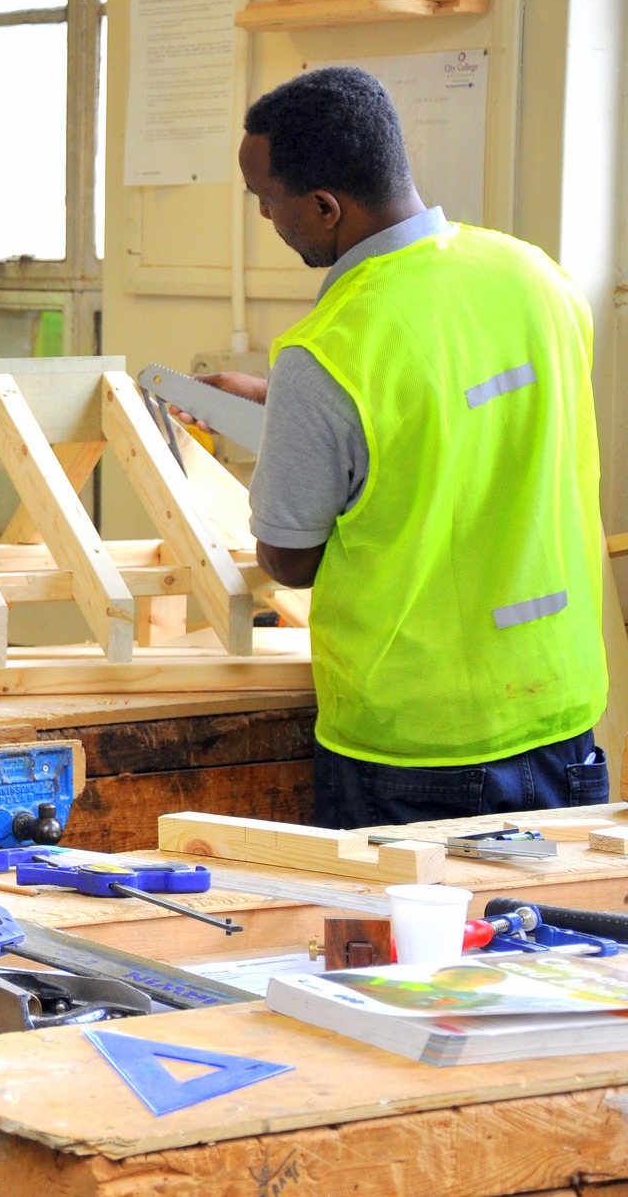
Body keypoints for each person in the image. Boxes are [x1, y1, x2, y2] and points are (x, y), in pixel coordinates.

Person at [195, 66, 609, 830]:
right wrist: (284, 406)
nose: (266, 216)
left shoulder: (329, 349)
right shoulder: (538, 277)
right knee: (558, 947)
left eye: (266, 200)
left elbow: (290, 558)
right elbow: (467, 422)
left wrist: (298, 425)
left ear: (324, 207)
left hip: (416, 746)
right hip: (560, 712)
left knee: (401, 949)